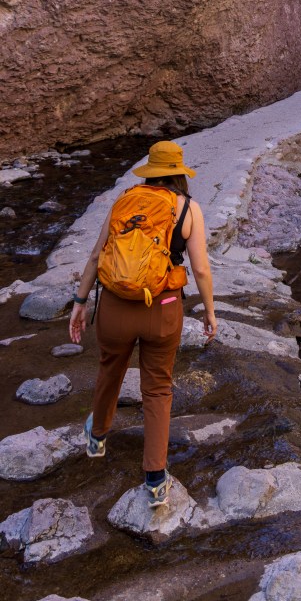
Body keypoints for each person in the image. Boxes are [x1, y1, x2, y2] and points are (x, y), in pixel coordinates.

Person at [69, 140, 217, 506]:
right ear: (179, 173)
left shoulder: (125, 201)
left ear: (150, 171)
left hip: (116, 307)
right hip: (163, 309)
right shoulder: (189, 208)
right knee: (157, 388)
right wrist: (210, 312)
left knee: (110, 370)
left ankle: (98, 438)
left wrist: (80, 300)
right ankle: (154, 479)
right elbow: (199, 268)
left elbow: (95, 255)